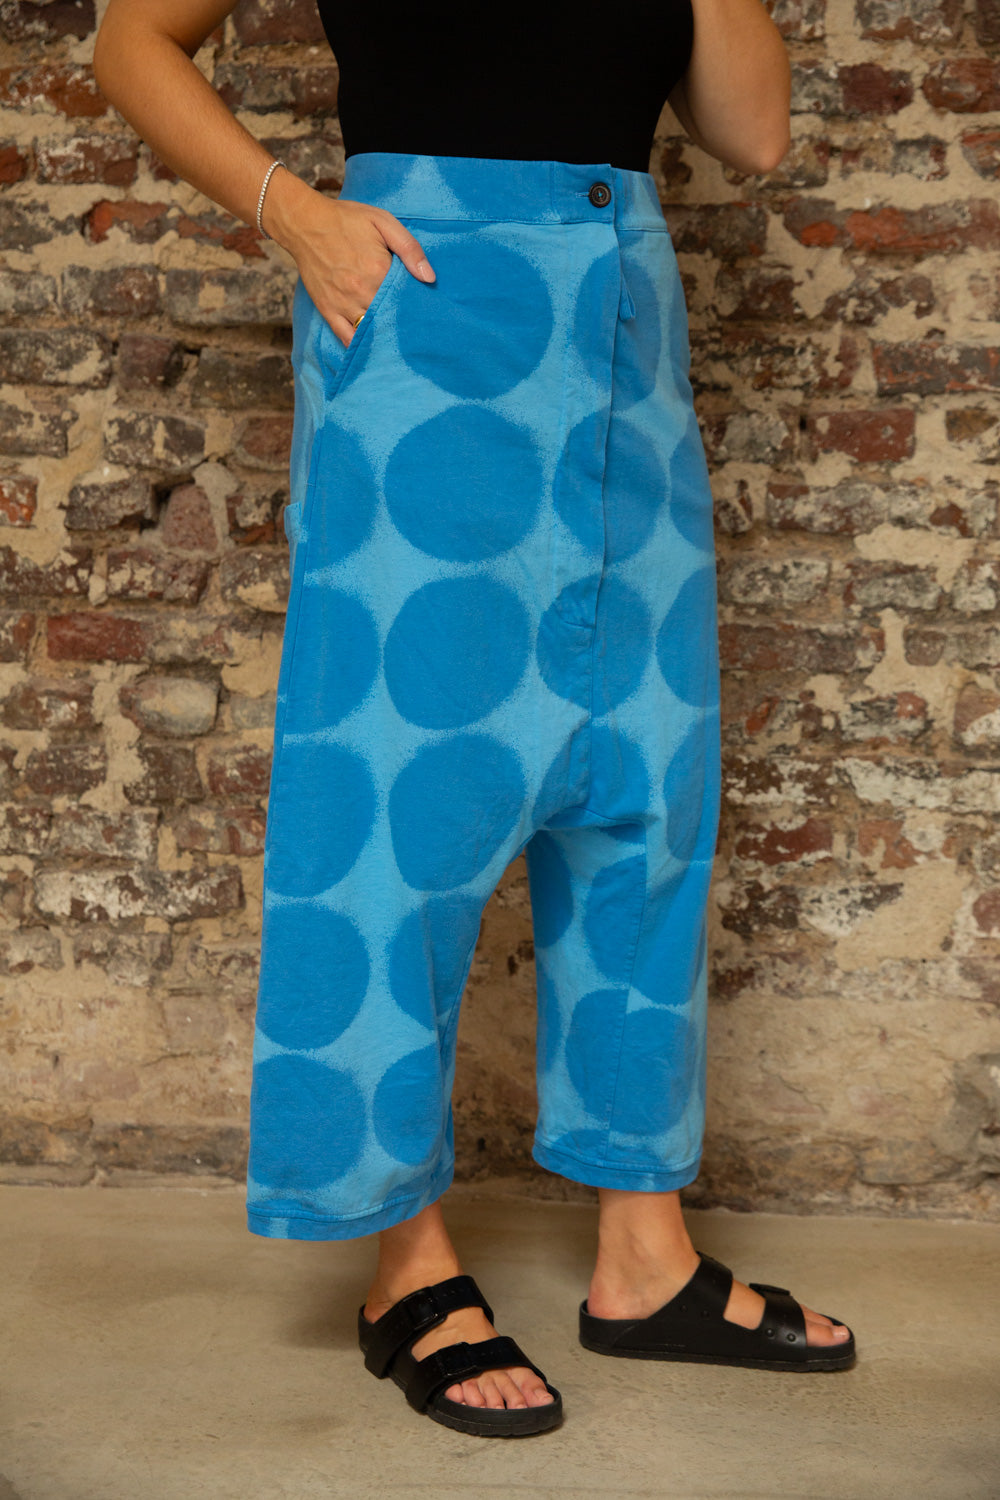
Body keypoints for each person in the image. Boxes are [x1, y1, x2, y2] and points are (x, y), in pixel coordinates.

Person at [93, 0, 855, 1439]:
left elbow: (752, 132)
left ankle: (646, 1256)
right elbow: (130, 42)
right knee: (403, 801)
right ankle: (405, 1264)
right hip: (423, 316)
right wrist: (292, 211)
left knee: (646, 786)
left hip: (622, 326)